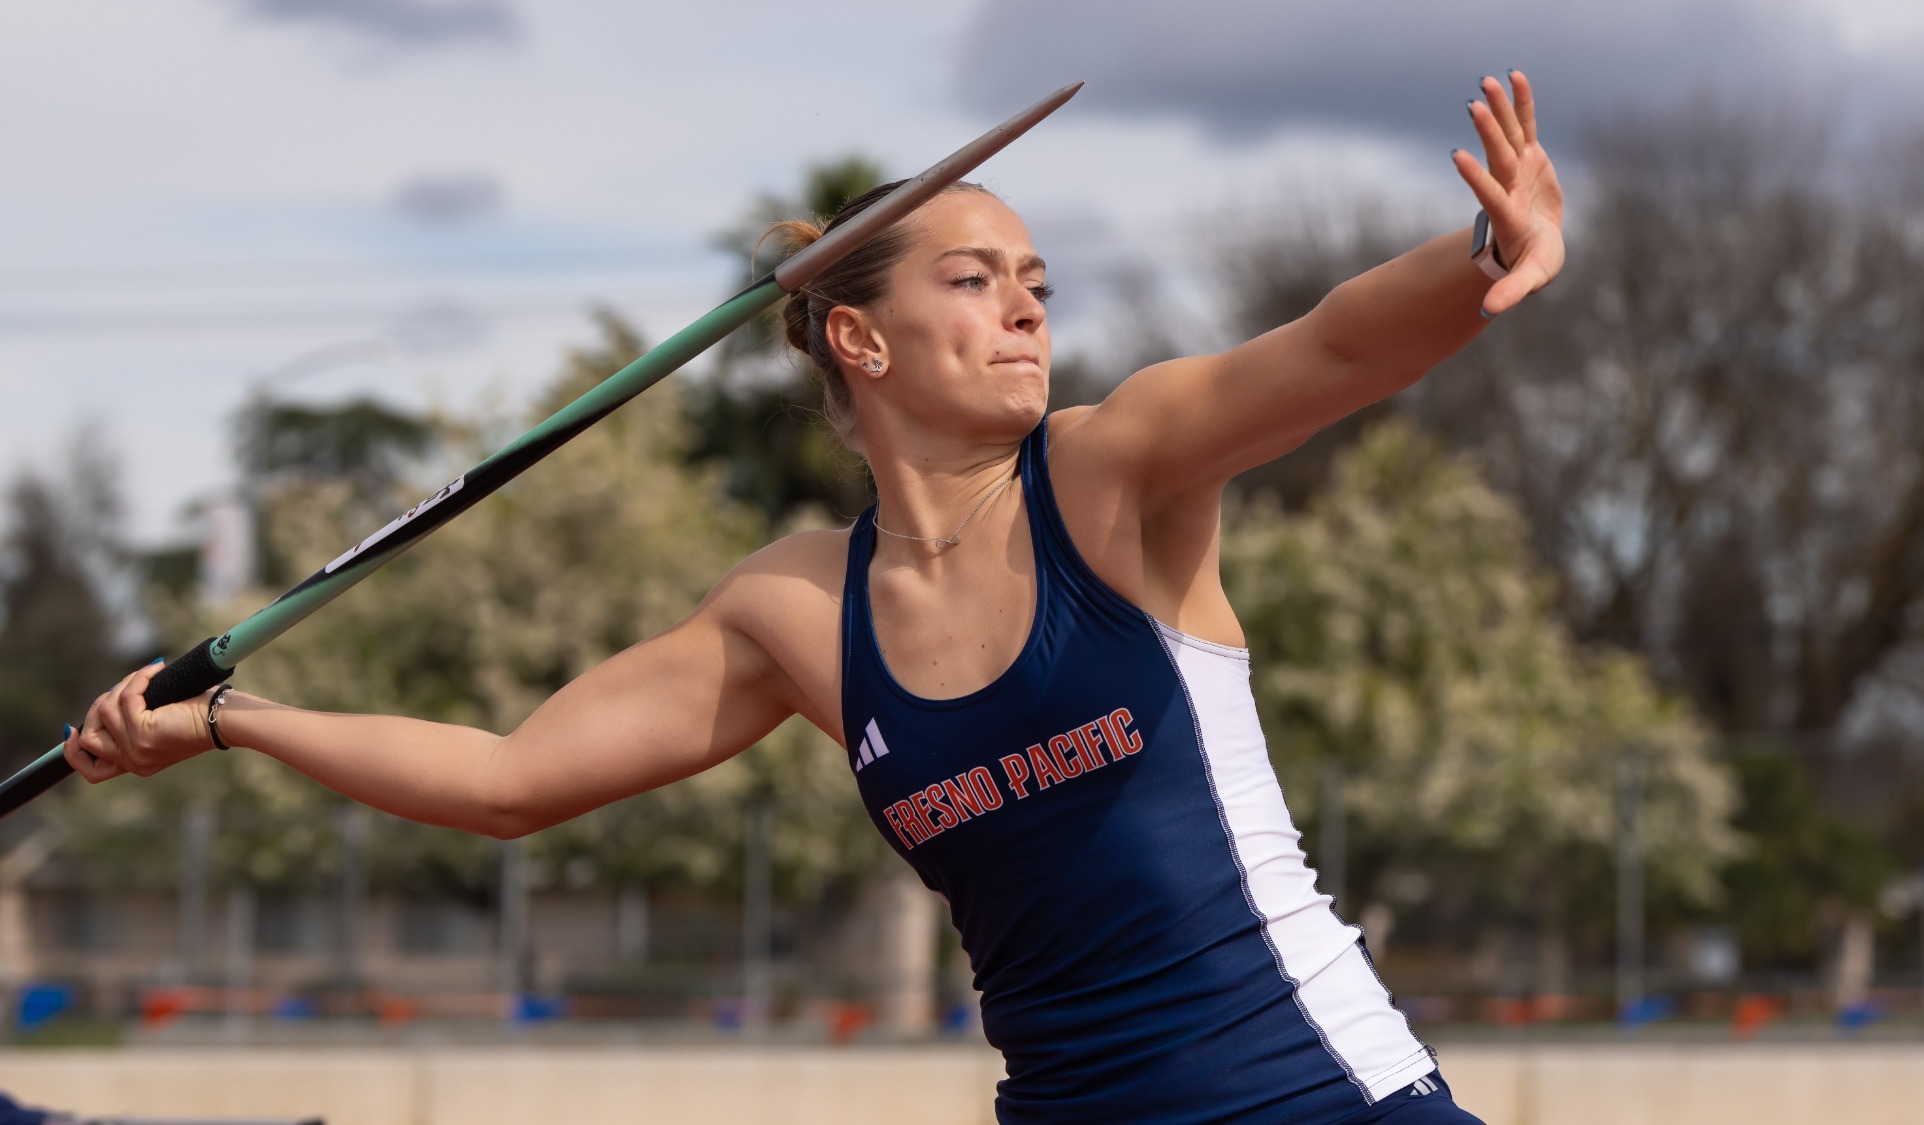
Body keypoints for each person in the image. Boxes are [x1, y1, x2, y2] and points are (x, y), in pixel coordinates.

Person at [67, 72, 1563, 1123]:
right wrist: (236, 720)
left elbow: (1329, 349)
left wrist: (1481, 251)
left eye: (1036, 274)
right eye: (974, 279)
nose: (1029, 303)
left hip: (1322, 1103)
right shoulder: (793, 613)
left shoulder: (1115, 477)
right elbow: (510, 779)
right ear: (860, 337)